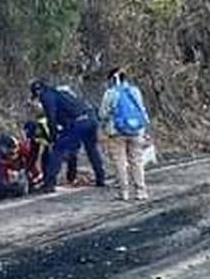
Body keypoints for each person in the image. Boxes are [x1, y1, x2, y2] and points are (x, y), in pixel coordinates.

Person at [30, 80, 106, 192]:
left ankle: (49, 184)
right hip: (90, 118)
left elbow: (52, 116)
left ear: (37, 92)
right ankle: (100, 178)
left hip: (78, 122)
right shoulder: (62, 93)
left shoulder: (46, 96)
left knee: (58, 150)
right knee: (92, 149)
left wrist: (53, 136)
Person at [99, 68, 150, 201]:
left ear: (112, 79)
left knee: (120, 162)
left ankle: (124, 192)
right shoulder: (135, 91)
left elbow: (103, 114)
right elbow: (142, 109)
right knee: (137, 161)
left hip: (117, 132)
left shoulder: (110, 93)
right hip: (137, 131)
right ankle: (141, 191)